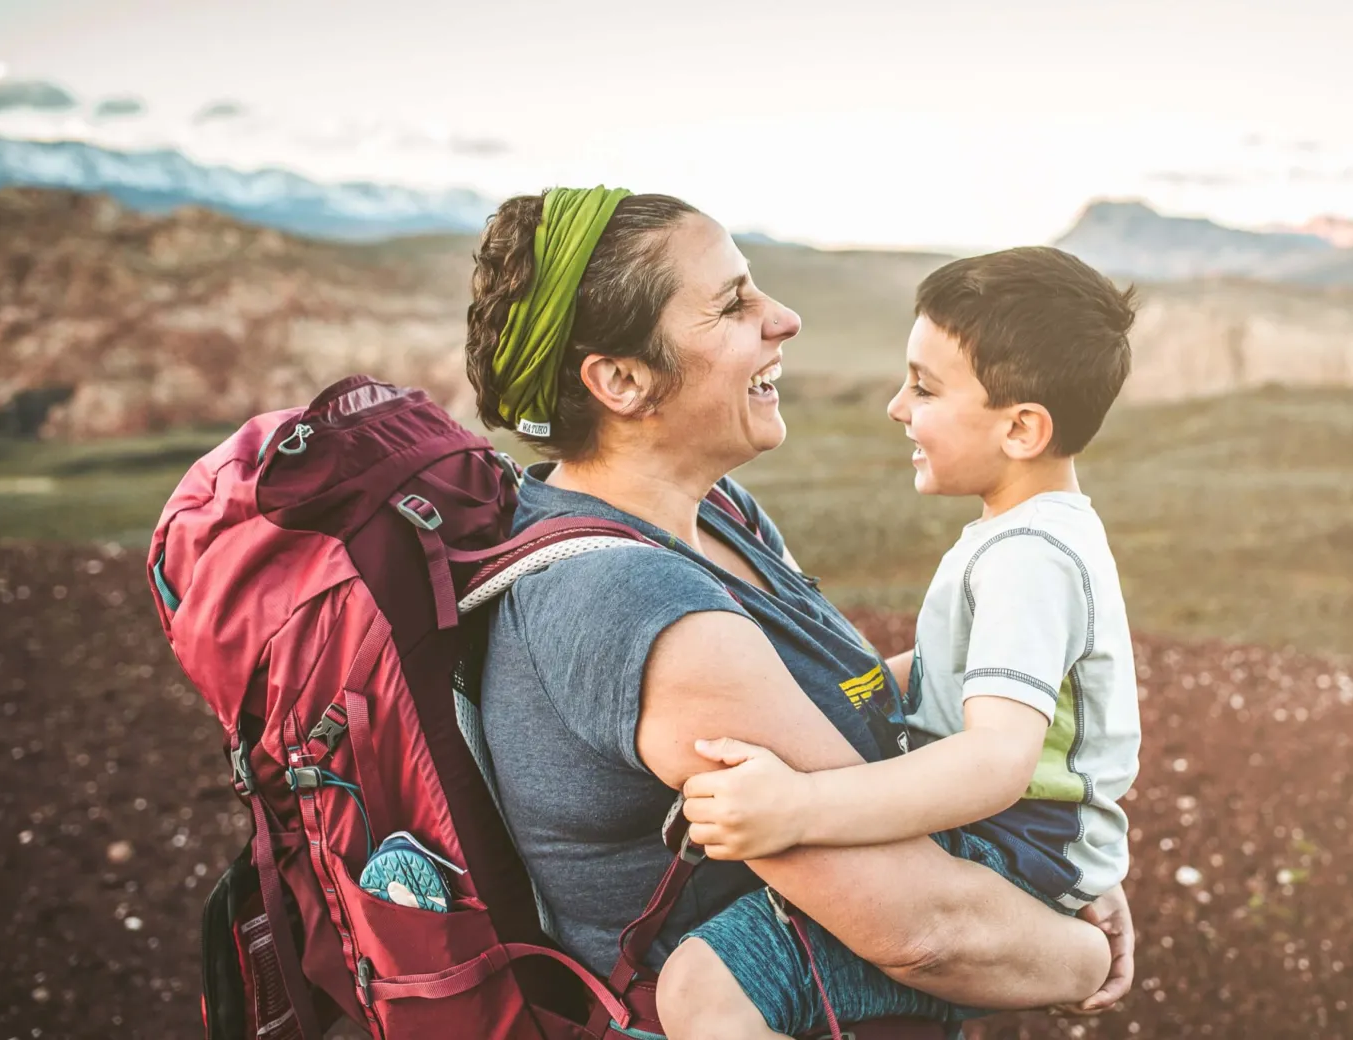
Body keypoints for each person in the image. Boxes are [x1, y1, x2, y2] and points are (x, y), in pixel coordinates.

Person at [467, 187, 1135, 1036]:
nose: (782, 318)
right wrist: (1081, 952)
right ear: (622, 381)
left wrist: (1057, 839)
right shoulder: (637, 608)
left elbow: (862, 700)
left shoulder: (720, 514)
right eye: (733, 304)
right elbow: (927, 932)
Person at [662, 247, 1143, 1038]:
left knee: (705, 991)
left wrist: (800, 806)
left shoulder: (1028, 558)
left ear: (1021, 428)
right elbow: (957, 676)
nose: (896, 406)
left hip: (1004, 853)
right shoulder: (1035, 537)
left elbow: (996, 759)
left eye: (924, 386)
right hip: (1026, 849)